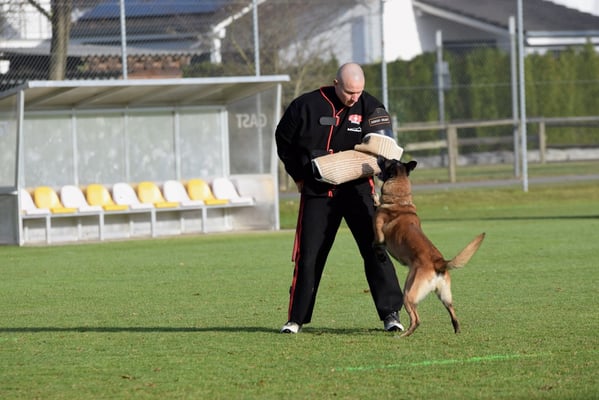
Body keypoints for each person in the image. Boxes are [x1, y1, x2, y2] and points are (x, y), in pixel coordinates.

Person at [275, 62, 404, 334]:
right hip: (318, 192)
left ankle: (391, 313)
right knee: (309, 255)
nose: (354, 98)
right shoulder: (305, 106)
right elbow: (283, 140)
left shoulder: (372, 107)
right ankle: (296, 319)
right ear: (336, 84)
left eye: (358, 92)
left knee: (375, 249)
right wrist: (299, 175)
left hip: (358, 190)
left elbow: (385, 150)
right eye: (348, 92)